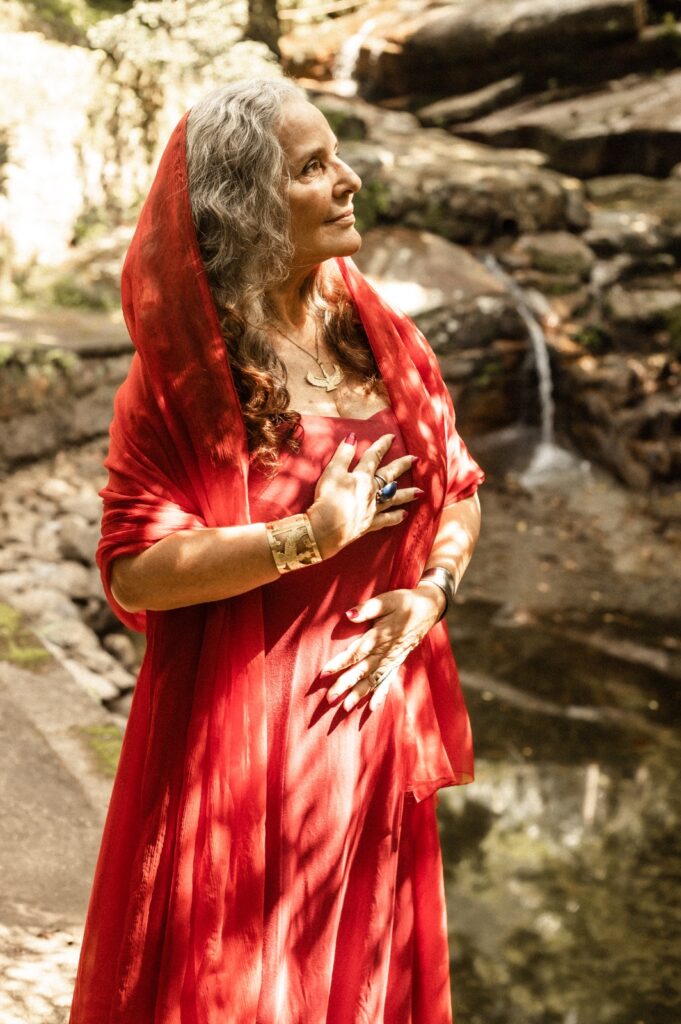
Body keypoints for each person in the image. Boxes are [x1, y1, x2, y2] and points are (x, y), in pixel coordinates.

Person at [68, 77, 486, 1024]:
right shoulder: (181, 376)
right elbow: (134, 567)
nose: (349, 180)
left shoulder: (384, 340)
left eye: (337, 157)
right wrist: (310, 537)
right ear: (249, 206)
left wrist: (431, 593)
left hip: (370, 739)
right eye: (312, 167)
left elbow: (459, 489)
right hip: (241, 753)